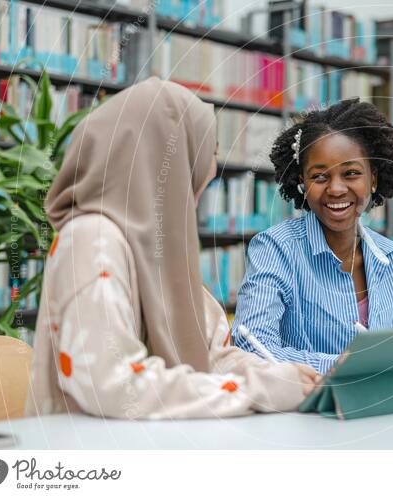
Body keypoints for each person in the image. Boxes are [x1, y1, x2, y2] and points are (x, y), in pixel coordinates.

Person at [26, 77, 318, 419]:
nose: (211, 169)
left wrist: (282, 377)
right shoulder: (91, 239)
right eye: (206, 150)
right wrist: (256, 391)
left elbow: (214, 355)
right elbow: (113, 386)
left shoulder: (163, 249)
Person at [231, 98, 393, 374]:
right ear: (302, 181)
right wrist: (343, 366)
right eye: (320, 176)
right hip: (300, 410)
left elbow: (390, 353)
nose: (336, 189)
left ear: (372, 179)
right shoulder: (275, 249)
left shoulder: (388, 256)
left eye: (351, 173)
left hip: (372, 409)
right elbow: (251, 347)